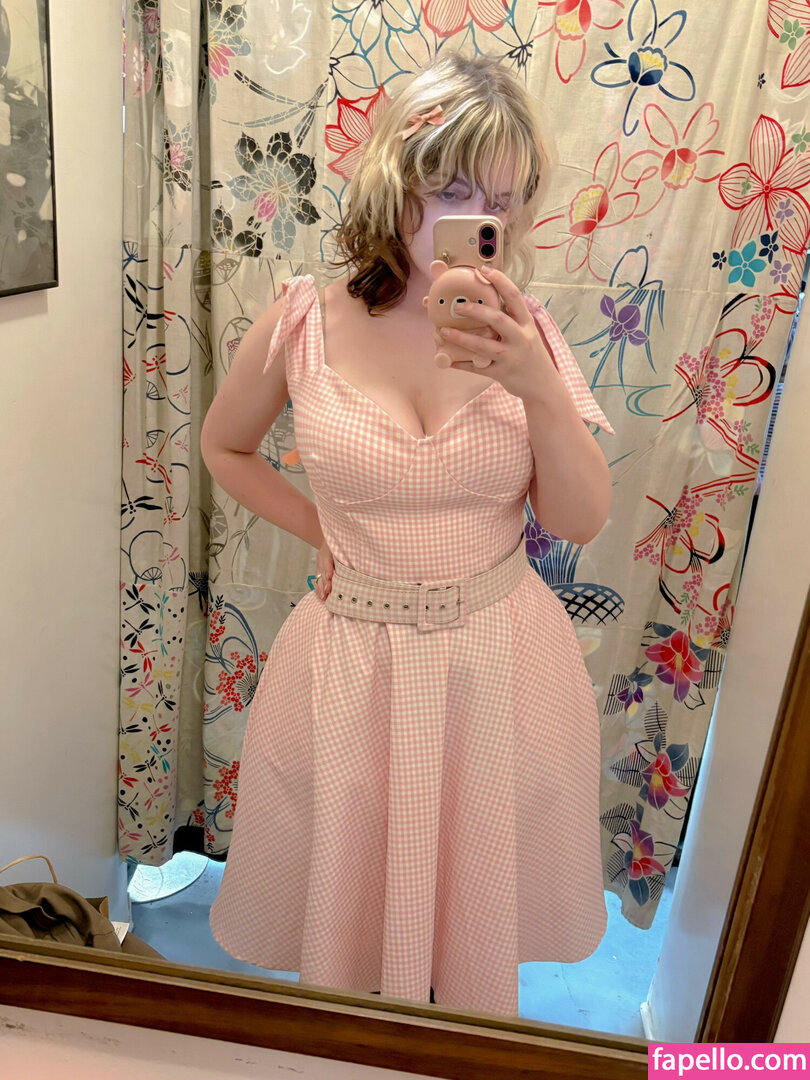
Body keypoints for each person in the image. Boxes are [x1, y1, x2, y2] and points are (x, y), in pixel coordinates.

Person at [203, 51, 616, 1019]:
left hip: (498, 660)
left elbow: (578, 520)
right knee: (353, 902)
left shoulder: (528, 336)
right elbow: (226, 447)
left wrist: (536, 386)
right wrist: (328, 529)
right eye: (456, 190)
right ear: (399, 182)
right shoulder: (303, 323)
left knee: (469, 908)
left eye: (502, 202)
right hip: (351, 659)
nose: (481, 221)